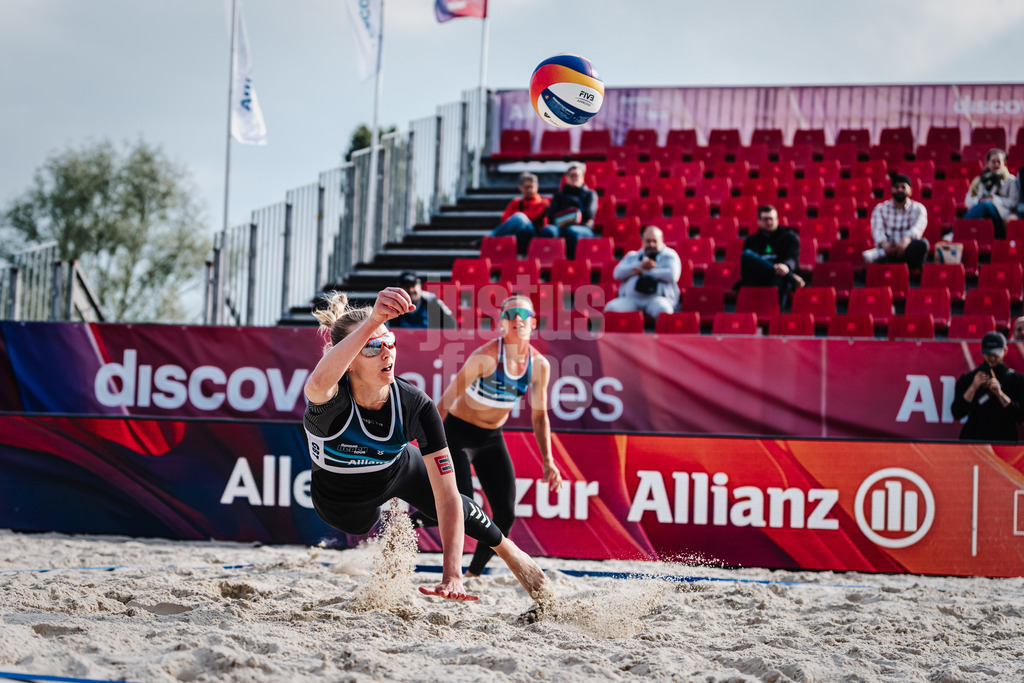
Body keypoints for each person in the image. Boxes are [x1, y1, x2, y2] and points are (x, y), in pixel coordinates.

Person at [303, 287, 547, 601]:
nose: (387, 352)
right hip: (341, 502)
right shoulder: (330, 401)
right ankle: (392, 514)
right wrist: (376, 317)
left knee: (457, 498)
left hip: (396, 468)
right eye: (372, 347)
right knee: (362, 524)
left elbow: (446, 497)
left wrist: (452, 576)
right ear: (348, 361)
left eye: (389, 342)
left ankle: (514, 555)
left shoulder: (416, 405)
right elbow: (319, 380)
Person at [413, 294, 562, 576]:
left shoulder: (539, 365)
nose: (517, 319)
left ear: (533, 323)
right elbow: (443, 403)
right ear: (501, 325)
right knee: (462, 505)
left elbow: (540, 416)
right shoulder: (485, 357)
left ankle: (473, 574)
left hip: (492, 438)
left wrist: (548, 460)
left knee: (505, 514)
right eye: (509, 314)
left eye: (523, 314)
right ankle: (410, 525)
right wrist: (428, 445)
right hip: (457, 434)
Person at [951, 331, 1024, 443]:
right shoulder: (968, 378)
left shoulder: (1017, 380)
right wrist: (973, 388)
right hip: (974, 442)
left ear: (1005, 351)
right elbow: (957, 413)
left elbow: (1020, 416)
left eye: (995, 354)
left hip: (1004, 444)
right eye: (988, 354)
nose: (992, 358)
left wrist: (1000, 394)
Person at [604, 225, 682, 321]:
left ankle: (660, 337)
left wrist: (647, 271)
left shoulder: (670, 255)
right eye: (648, 241)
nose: (651, 244)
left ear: (661, 240)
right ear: (643, 241)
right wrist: (639, 265)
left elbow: (673, 276)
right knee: (610, 309)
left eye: (654, 241)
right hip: (632, 299)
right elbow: (617, 274)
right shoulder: (632, 256)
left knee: (665, 311)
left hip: (658, 298)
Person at [737, 204, 805, 303]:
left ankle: (777, 316)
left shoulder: (789, 237)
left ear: (777, 220)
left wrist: (785, 266)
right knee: (747, 254)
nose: (769, 222)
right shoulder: (751, 240)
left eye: (771, 219)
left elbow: (793, 258)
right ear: (758, 221)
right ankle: (789, 276)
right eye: (765, 219)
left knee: (779, 281)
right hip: (759, 277)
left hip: (779, 277)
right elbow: (748, 265)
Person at [865, 174, 929, 270]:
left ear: (910, 191)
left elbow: (917, 229)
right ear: (892, 189)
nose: (899, 190)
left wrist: (905, 241)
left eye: (903, 187)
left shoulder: (918, 209)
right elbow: (877, 231)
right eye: (896, 187)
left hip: (908, 249)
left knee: (922, 244)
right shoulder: (880, 208)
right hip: (887, 249)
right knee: (868, 256)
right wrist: (885, 245)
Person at [544, 162, 597, 259]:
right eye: (571, 175)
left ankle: (571, 263)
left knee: (572, 232)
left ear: (583, 177)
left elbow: (588, 214)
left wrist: (568, 214)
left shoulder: (590, 194)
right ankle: (551, 261)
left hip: (582, 227)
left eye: (577, 175)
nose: (574, 178)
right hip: (560, 227)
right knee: (549, 231)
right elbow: (551, 217)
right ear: (566, 177)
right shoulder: (559, 195)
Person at [963, 149, 1020, 239]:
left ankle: (957, 231)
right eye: (993, 162)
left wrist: (993, 199)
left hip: (1000, 215)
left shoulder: (1010, 180)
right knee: (983, 206)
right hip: (982, 212)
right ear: (988, 162)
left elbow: (1013, 202)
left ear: (1004, 163)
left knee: (986, 205)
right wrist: (979, 199)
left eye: (999, 162)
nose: (996, 165)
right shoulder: (979, 180)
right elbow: (967, 201)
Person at [490, 172, 551, 255]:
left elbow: (533, 216)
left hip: (533, 235)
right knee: (513, 229)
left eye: (531, 187)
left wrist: (518, 215)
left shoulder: (543, 203)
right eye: (526, 187)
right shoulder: (516, 202)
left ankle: (490, 239)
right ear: (521, 188)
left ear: (537, 187)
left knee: (519, 218)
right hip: (517, 234)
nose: (529, 190)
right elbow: (504, 219)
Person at [389, 271, 457, 329]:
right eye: (407, 287)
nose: (411, 290)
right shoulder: (393, 305)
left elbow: (451, 324)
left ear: (419, 286)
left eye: (413, 286)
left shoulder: (432, 301)